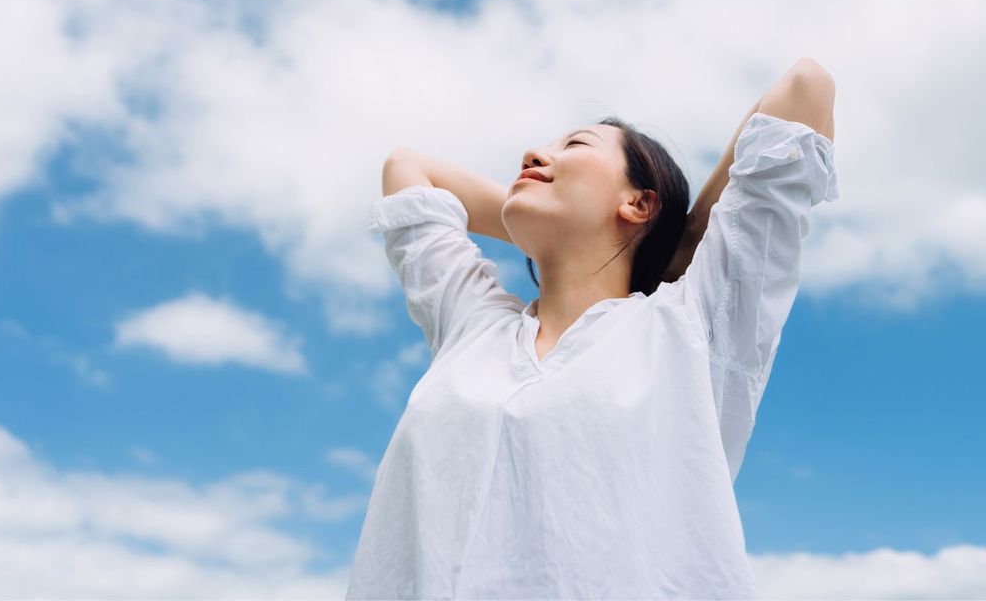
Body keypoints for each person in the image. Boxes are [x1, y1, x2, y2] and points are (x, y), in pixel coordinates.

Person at [345, 58, 840, 599]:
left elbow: (804, 89)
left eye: (575, 145)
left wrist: (687, 236)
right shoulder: (472, 326)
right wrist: (560, 229)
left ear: (639, 202)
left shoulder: (694, 325)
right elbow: (407, 167)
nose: (534, 155)